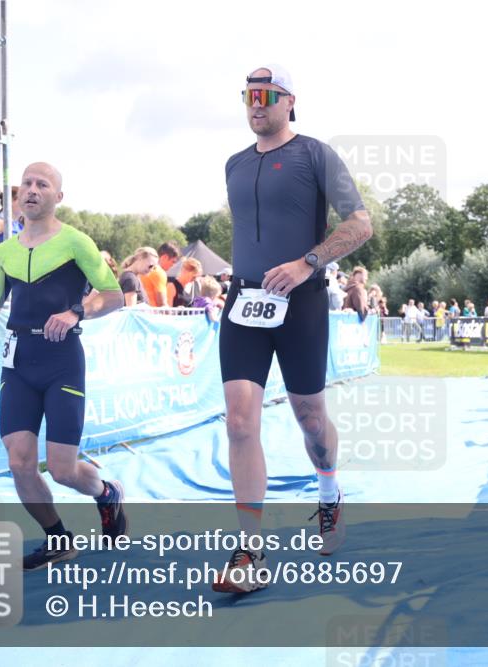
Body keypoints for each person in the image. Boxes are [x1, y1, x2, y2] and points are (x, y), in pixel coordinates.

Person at [213, 65, 372, 593]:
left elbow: (360, 223)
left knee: (309, 417)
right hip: (244, 301)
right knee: (239, 421)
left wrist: (307, 262)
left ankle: (328, 493)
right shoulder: (234, 164)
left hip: (300, 298)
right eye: (248, 96)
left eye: (265, 95)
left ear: (289, 101)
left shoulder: (316, 154)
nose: (255, 104)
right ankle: (249, 551)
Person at [0, 162, 127, 570]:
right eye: (26, 182)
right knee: (19, 461)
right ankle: (57, 538)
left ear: (58, 197)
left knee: (62, 470)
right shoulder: (5, 251)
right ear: (17, 194)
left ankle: (106, 492)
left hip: (62, 362)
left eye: (43, 184)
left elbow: (114, 296)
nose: (32, 189)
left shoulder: (77, 242)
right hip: (18, 362)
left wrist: (76, 311)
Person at [140, 242, 180, 307]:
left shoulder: (142, 269)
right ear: (165, 257)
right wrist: (177, 312)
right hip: (152, 315)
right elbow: (162, 305)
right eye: (173, 261)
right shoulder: (159, 272)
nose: (173, 265)